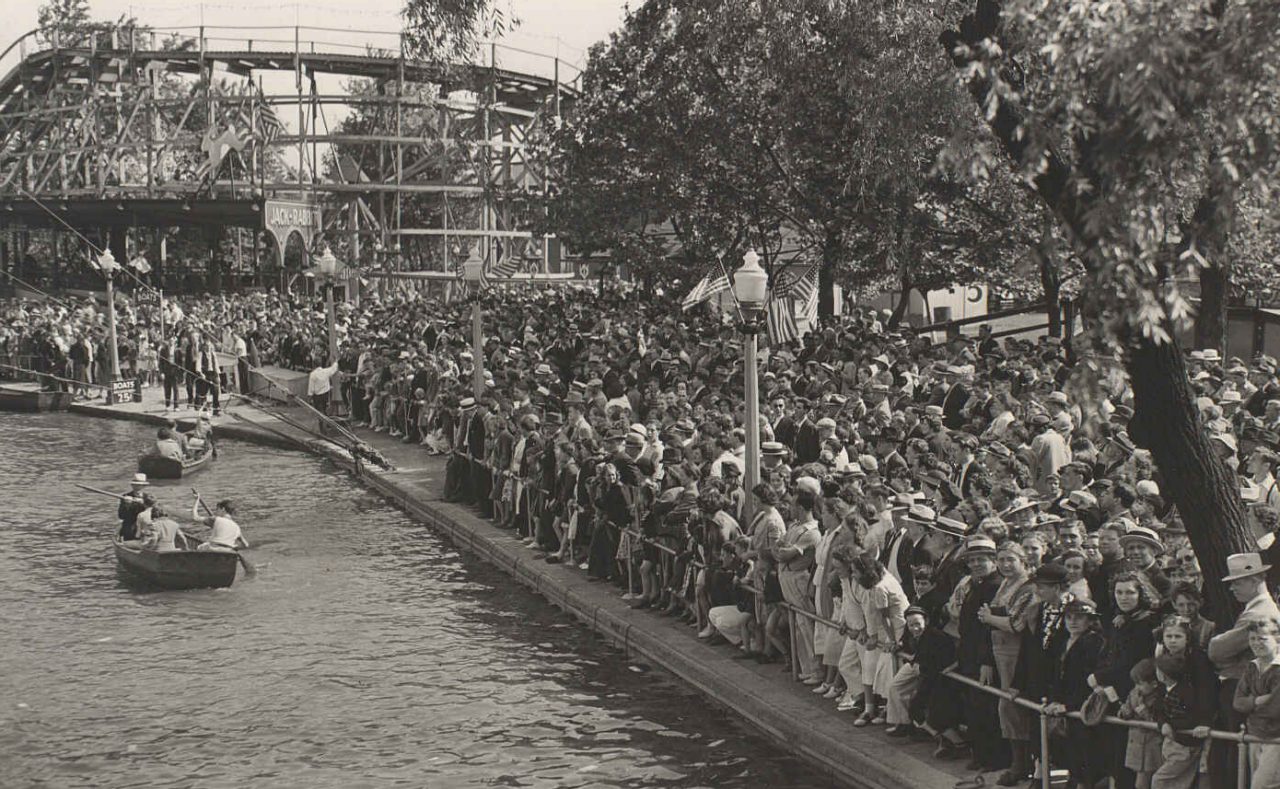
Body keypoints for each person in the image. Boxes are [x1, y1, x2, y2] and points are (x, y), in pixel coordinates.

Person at [118, 473, 151, 541]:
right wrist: (127, 505)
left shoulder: (148, 497)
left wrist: (143, 504)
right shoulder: (125, 496)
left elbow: (153, 514)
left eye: (139, 485)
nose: (136, 487)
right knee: (128, 530)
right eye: (134, 485)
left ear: (143, 486)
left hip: (144, 526)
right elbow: (121, 516)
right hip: (131, 527)